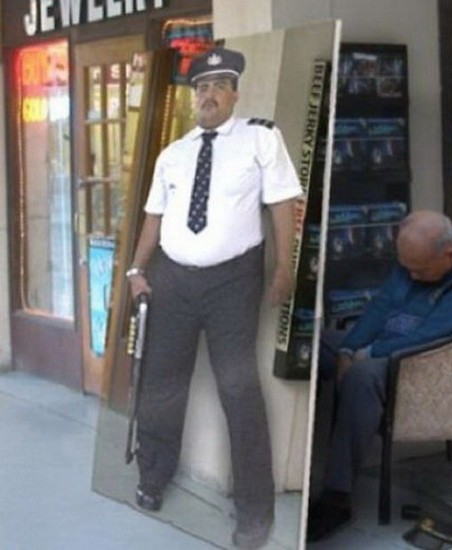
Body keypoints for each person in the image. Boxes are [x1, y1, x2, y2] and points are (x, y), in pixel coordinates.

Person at [125, 46, 302, 549]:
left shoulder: (260, 139)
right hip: (172, 281)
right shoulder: (173, 153)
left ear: (234, 94)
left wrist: (285, 268)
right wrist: (137, 269)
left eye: (219, 86)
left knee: (239, 391)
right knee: (162, 383)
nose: (208, 95)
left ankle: (255, 512)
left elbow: (282, 204)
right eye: (201, 87)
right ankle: (153, 476)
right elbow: (154, 217)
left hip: (233, 282)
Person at [306, 210, 452, 542]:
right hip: (384, 345)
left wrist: (365, 355)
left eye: (418, 271)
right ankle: (296, 470)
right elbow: (382, 305)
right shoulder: (418, 256)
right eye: (406, 267)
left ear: (448, 254)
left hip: (419, 365)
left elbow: (428, 340)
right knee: (312, 346)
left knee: (362, 376)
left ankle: (337, 497)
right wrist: (348, 349)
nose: (410, 275)